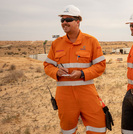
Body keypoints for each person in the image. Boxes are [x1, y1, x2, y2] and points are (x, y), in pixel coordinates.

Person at [43, 5, 106, 134]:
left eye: (68, 19)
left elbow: (100, 66)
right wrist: (56, 72)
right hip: (64, 96)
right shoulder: (56, 44)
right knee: (67, 130)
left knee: (98, 127)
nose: (64, 22)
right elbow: (47, 66)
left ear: (78, 21)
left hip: (87, 93)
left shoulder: (91, 41)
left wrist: (82, 73)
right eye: (62, 20)